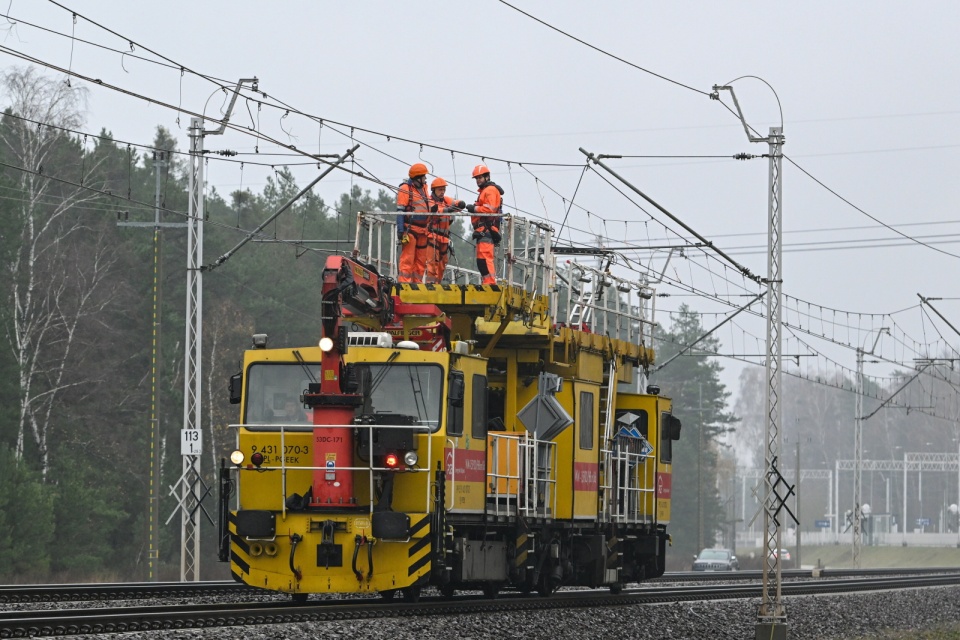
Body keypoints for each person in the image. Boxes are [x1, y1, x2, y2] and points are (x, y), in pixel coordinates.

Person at [465, 164, 503, 285]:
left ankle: (490, 283)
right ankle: (487, 281)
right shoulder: (485, 191)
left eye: (480, 178)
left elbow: (490, 209)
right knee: (481, 260)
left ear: (487, 177)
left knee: (485, 258)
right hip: (483, 230)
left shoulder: (490, 190)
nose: (478, 180)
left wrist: (475, 209)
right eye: (476, 178)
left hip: (487, 229)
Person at [396, 163, 432, 283]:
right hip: (410, 230)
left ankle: (417, 285)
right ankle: (404, 283)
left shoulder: (424, 188)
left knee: (421, 261)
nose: (425, 179)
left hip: (423, 231)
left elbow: (426, 205)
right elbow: (400, 210)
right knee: (408, 259)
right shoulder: (405, 189)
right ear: (418, 177)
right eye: (424, 176)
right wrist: (400, 230)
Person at [425, 177, 465, 284]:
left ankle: (437, 284)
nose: (442, 192)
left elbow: (455, 203)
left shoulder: (446, 200)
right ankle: (430, 285)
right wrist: (448, 209)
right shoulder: (429, 201)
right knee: (432, 263)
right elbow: (435, 210)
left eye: (443, 189)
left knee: (442, 264)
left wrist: (460, 204)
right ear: (434, 190)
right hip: (432, 236)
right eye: (440, 190)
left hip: (444, 239)